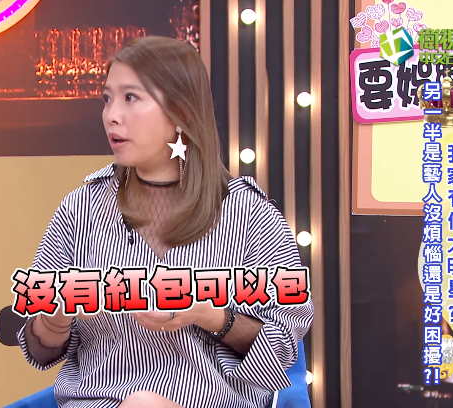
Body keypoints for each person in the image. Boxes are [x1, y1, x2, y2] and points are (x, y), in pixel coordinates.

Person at [16, 35, 314, 408]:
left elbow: (283, 350)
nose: (112, 115)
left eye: (131, 98)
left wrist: (212, 315)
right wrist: (55, 321)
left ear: (181, 112)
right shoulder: (81, 208)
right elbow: (40, 351)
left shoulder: (249, 213)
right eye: (107, 99)